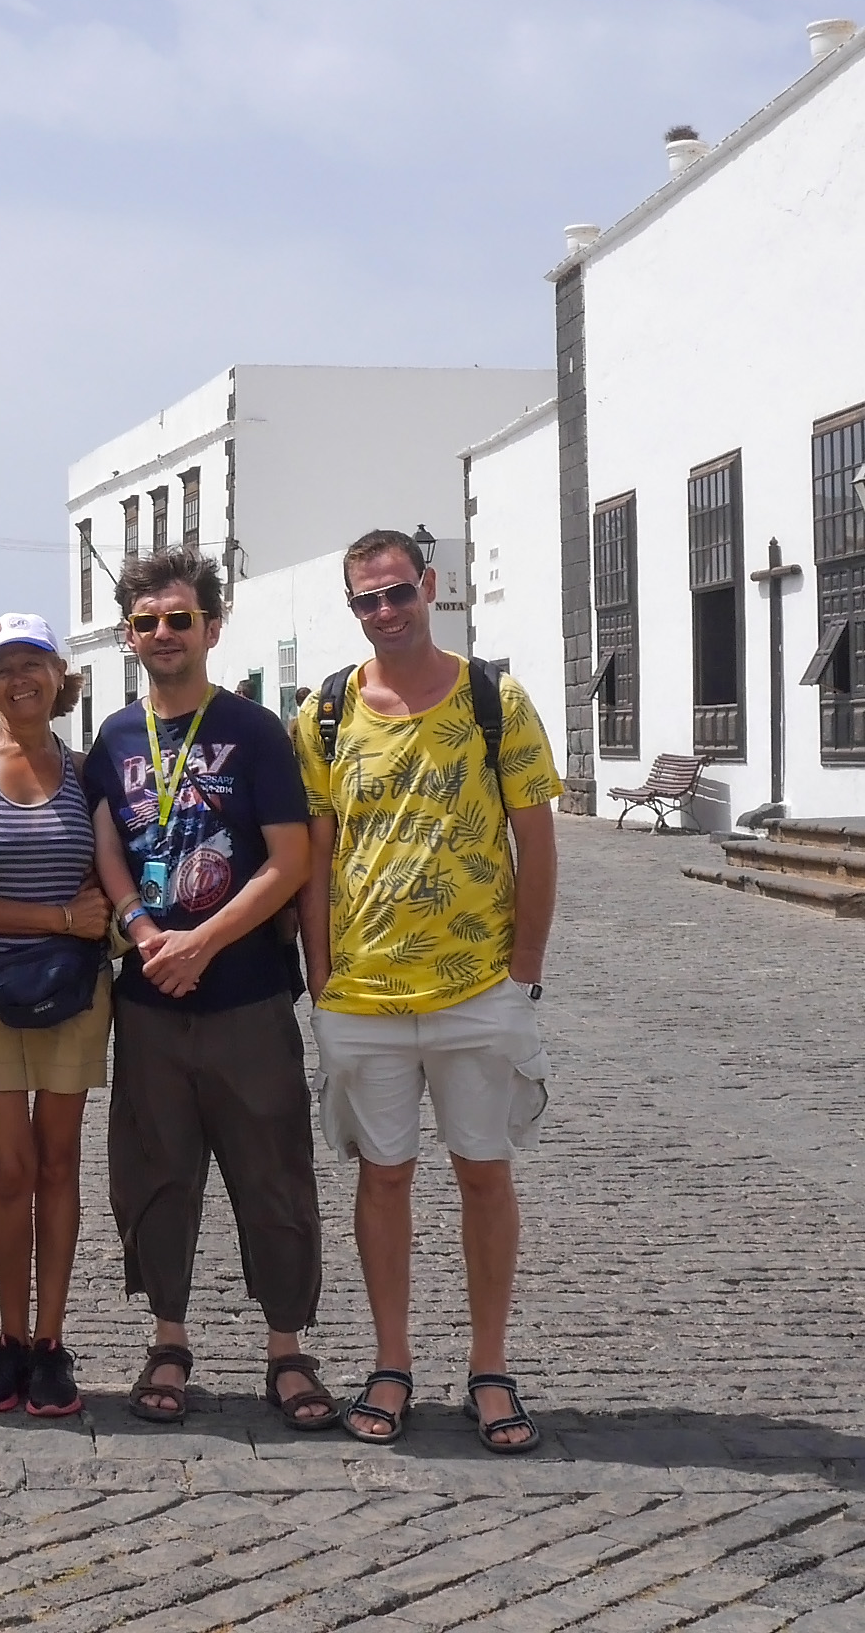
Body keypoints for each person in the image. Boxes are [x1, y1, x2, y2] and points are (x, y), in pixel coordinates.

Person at [300, 529, 562, 1452]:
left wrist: (522, 976)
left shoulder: (496, 699)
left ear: (431, 587)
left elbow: (537, 843)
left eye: (397, 592)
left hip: (476, 989)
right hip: (363, 995)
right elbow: (318, 857)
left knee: (483, 1174)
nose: (384, 612)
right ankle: (391, 1362)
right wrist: (321, 981)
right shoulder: (325, 712)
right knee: (384, 1177)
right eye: (366, 599)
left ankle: (490, 1367)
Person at [83, 547, 338, 1432]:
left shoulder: (256, 731)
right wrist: (147, 932)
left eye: (179, 619)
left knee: (272, 1175)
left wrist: (203, 941)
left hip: (247, 997)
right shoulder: (114, 738)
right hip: (150, 999)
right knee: (155, 1176)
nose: (162, 633)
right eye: (147, 621)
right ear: (129, 633)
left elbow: (291, 858)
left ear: (212, 628)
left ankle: (287, 1347)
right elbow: (108, 842)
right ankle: (169, 1339)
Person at [0, 612, 110, 1417]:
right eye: (2, 668)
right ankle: (8, 1338)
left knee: (60, 1164)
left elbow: (110, 885)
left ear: (57, 676)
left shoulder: (84, 769)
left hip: (74, 996)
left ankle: (50, 1342)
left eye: (32, 663)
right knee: (10, 1169)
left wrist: (88, 926)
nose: (18, 680)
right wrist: (58, 921)